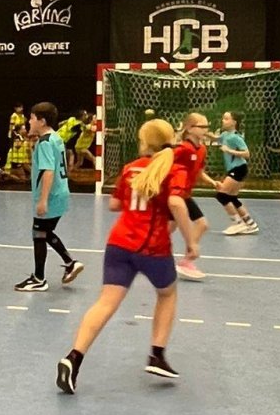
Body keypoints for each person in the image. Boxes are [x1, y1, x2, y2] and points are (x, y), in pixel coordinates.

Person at [56, 119, 198, 393]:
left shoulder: (131, 168)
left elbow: (114, 204)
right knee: (167, 293)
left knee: (105, 303)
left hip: (119, 244)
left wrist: (136, 201)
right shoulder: (174, 169)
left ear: (143, 143)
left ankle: (73, 358)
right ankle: (157, 354)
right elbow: (176, 202)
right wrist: (191, 241)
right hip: (152, 247)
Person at [14, 101, 84, 292]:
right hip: (61, 193)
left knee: (39, 234)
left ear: (42, 121)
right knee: (44, 233)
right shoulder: (56, 137)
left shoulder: (44, 143)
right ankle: (70, 263)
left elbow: (48, 171)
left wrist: (43, 200)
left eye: (32, 118)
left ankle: (39, 278)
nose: (29, 121)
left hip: (50, 196)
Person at [172, 111, 214, 280]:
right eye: (201, 126)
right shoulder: (182, 149)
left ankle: (186, 261)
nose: (205, 129)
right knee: (198, 224)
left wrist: (213, 182)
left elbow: (200, 172)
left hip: (185, 194)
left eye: (207, 126)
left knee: (200, 224)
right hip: (175, 194)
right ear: (189, 129)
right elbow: (164, 165)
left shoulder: (202, 149)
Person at [215, 110, 258, 235]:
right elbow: (216, 138)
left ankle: (238, 223)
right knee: (232, 198)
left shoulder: (236, 137)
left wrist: (229, 151)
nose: (223, 121)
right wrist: (202, 132)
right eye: (223, 118)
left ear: (234, 122)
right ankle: (251, 224)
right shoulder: (225, 134)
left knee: (222, 196)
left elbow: (247, 154)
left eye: (226, 119)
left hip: (239, 168)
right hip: (235, 169)